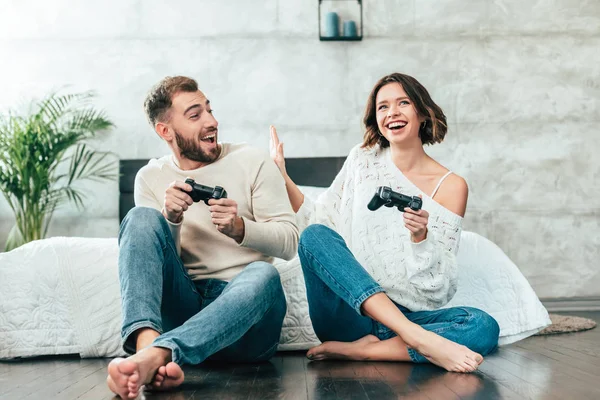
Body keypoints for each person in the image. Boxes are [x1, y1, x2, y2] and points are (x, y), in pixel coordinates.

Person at [269, 72, 499, 373]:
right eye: (383, 106)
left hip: (407, 315)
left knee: (483, 326)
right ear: (375, 118)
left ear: (422, 112)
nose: (392, 112)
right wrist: (281, 175)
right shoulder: (362, 159)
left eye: (403, 102)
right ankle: (420, 341)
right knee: (314, 235)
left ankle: (367, 353)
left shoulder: (452, 186)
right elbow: (319, 220)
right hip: (349, 314)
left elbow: (439, 288)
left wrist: (421, 238)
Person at [107, 76, 299, 399]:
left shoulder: (252, 161)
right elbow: (156, 260)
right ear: (165, 131)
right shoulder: (151, 178)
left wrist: (240, 228)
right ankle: (147, 349)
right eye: (195, 115)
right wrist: (171, 219)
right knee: (140, 218)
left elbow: (290, 241)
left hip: (248, 325)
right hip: (187, 304)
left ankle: (158, 354)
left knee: (265, 275)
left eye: (209, 109)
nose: (212, 121)